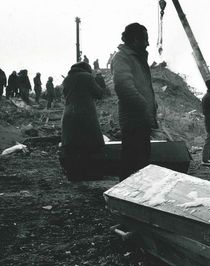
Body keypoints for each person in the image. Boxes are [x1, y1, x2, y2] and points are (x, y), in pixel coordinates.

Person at [112, 22, 158, 180]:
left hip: (141, 119)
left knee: (140, 164)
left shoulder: (136, 58)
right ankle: (124, 199)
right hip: (133, 119)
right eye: (145, 39)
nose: (148, 43)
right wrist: (144, 106)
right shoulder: (122, 58)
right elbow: (124, 87)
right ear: (134, 40)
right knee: (132, 164)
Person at [59, 62, 104, 181]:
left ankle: (74, 174)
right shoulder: (87, 77)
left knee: (72, 145)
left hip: (69, 113)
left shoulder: (67, 79)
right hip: (85, 113)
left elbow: (64, 94)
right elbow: (99, 94)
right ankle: (89, 173)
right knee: (88, 143)